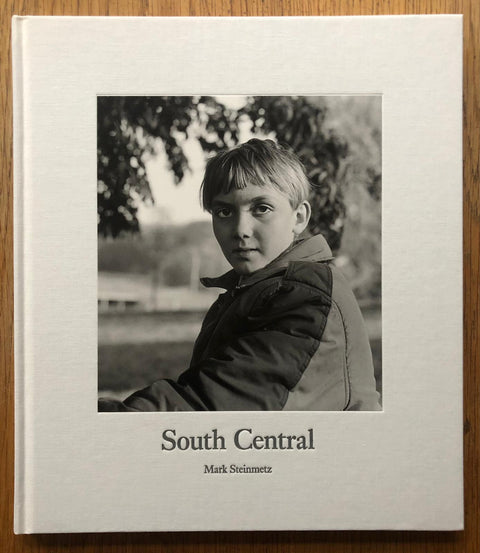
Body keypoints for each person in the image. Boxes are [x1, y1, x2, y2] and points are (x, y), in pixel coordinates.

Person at [98, 139, 381, 412]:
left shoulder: (307, 296)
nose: (240, 229)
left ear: (299, 217)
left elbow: (210, 407)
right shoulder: (254, 289)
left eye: (262, 208)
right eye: (224, 211)